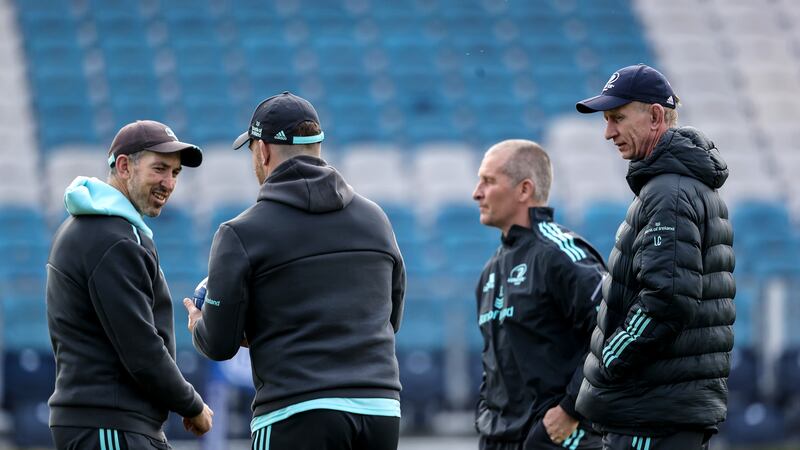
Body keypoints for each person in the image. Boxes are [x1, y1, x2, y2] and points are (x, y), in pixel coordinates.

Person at [183, 92, 405, 450]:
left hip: (296, 410)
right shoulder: (375, 219)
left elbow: (220, 344)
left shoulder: (240, 233)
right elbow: (389, 318)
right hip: (379, 410)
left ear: (263, 151)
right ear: (318, 145)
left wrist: (199, 323)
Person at [574, 64, 735, 450]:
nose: (608, 132)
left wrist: (608, 360)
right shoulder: (676, 186)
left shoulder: (669, 192)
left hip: (652, 417)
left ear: (655, 117)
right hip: (659, 410)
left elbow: (667, 299)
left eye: (616, 118)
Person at [46, 120, 214, 449]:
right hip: (108, 424)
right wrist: (192, 404)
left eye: (176, 173)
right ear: (124, 166)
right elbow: (141, 349)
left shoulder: (105, 231)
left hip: (114, 423)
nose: (168, 183)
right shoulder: (112, 239)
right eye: (160, 169)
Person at [472, 139, 606, 450]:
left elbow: (611, 335)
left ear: (524, 190)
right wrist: (485, 415)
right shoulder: (491, 270)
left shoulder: (560, 254)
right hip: (497, 439)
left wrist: (571, 408)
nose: (476, 192)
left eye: (488, 181)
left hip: (556, 439)